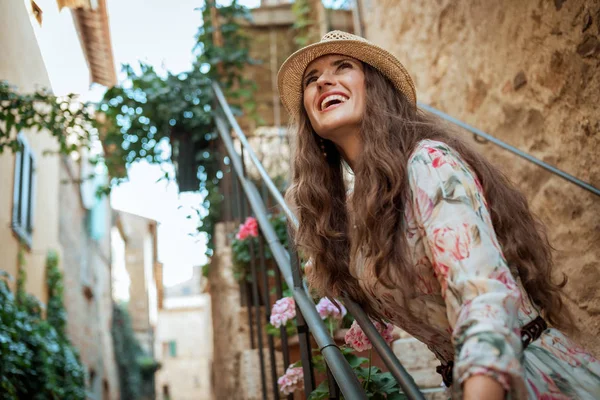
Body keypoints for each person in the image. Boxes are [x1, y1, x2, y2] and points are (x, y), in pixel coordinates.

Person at [277, 31, 600, 400]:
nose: (324, 81)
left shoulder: (428, 163)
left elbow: (484, 298)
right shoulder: (351, 216)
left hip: (522, 377)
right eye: (311, 79)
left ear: (376, 87)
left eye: (342, 66)